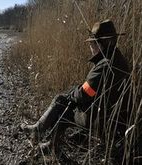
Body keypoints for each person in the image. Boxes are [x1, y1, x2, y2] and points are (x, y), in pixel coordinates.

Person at [21, 19, 131, 156]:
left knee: (62, 103)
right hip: (116, 118)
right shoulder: (119, 59)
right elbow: (93, 91)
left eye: (92, 43)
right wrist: (76, 91)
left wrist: (71, 94)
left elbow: (84, 95)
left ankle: (48, 141)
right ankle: (42, 133)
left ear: (101, 44)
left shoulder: (104, 65)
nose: (90, 47)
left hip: (102, 120)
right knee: (67, 99)